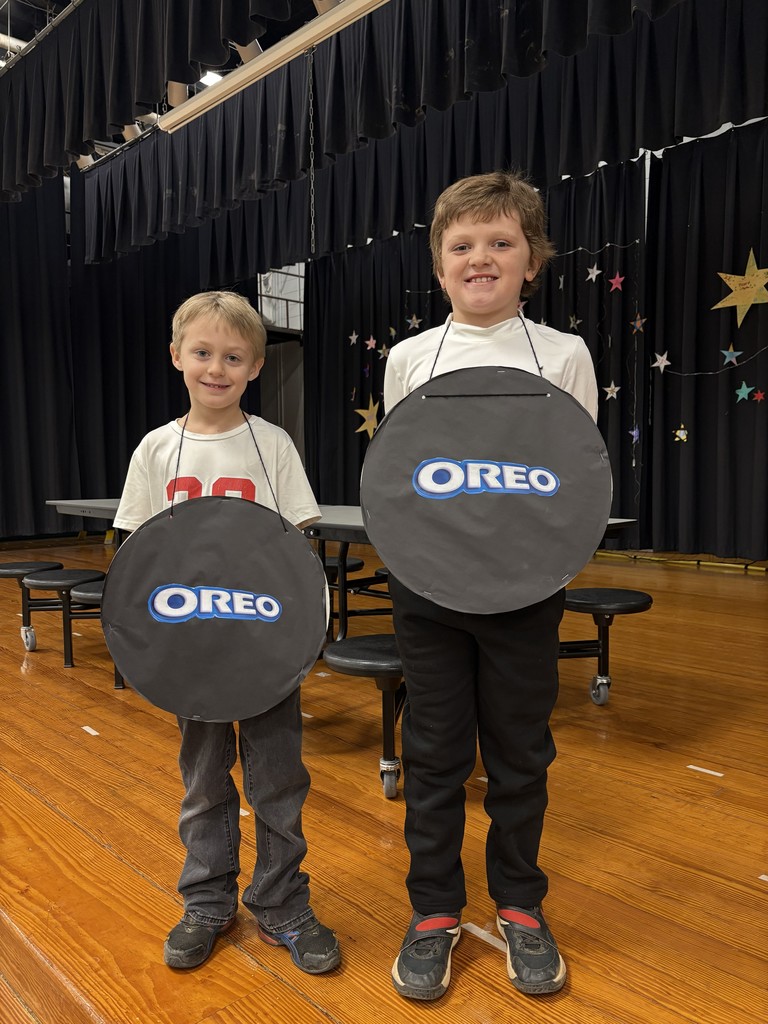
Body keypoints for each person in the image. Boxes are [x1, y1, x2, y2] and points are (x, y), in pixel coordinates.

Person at [383, 171, 598, 1001]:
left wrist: (542, 569)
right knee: (433, 756)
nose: (482, 258)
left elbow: (575, 480)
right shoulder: (409, 358)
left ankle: (520, 904)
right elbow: (402, 482)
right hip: (428, 593)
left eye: (501, 243)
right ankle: (434, 909)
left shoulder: (564, 354)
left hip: (523, 594)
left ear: (532, 260)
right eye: (463, 245)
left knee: (520, 755)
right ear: (439, 266)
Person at [113, 291, 340, 975]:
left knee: (277, 778)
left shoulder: (271, 445)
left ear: (255, 366)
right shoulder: (157, 448)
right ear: (177, 355)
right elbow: (136, 556)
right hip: (191, 651)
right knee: (204, 781)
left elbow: (298, 546)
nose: (217, 367)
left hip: (263, 646)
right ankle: (207, 902)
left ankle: (281, 904)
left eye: (233, 356)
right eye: (203, 352)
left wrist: (304, 633)